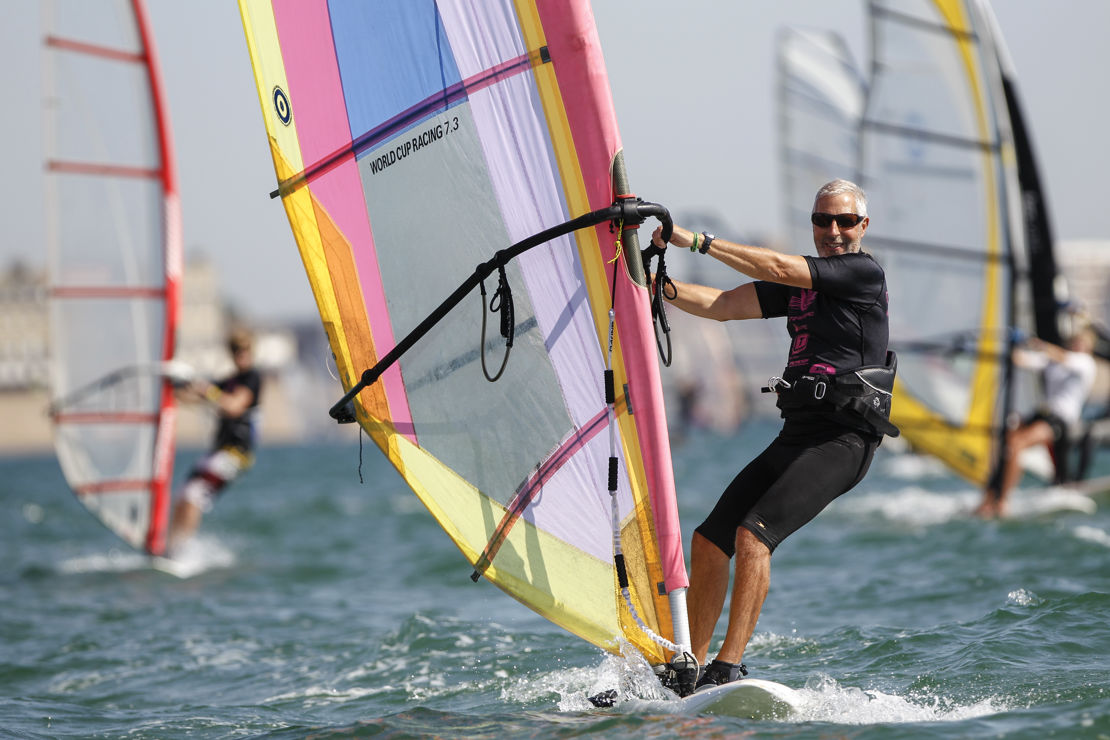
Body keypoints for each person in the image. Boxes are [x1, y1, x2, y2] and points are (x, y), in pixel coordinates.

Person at [651, 179, 896, 695]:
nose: (833, 231)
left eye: (845, 221)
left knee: (752, 536)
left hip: (843, 440)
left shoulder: (863, 273)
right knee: (709, 539)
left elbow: (781, 266)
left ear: (862, 227)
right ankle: (688, 668)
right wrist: (652, 286)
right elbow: (720, 304)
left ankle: (729, 665)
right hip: (798, 433)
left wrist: (694, 241)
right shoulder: (802, 287)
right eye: (823, 220)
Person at [975, 328, 1097, 518]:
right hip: (1043, 414)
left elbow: (1063, 357)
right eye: (1075, 342)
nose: (1077, 346)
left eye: (1081, 344)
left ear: (1088, 347)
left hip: (1062, 420)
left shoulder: (1085, 363)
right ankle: (989, 496)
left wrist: (1037, 343)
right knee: (1008, 436)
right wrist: (1004, 345)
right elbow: (1022, 360)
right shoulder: (1053, 361)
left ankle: (1003, 501)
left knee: (1018, 443)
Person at [167, 327, 263, 553]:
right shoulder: (228, 381)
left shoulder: (252, 378)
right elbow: (193, 398)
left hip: (236, 454)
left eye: (245, 351)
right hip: (218, 452)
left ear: (251, 352)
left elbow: (234, 406)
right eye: (237, 351)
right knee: (182, 494)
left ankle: (183, 550)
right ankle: (170, 547)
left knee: (194, 496)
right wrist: (174, 387)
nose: (241, 355)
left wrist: (208, 391)